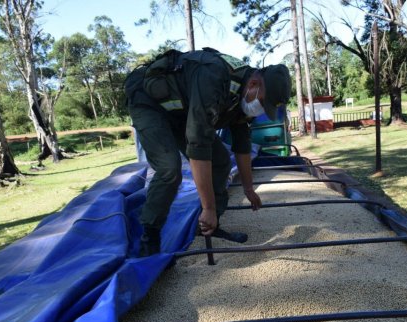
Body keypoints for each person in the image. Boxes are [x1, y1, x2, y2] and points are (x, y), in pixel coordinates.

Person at [125, 47, 292, 256]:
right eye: (262, 102)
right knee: (169, 169)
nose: (259, 109)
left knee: (221, 162)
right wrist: (208, 207)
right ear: (254, 84)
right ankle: (149, 240)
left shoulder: (243, 95)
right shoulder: (213, 76)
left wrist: (249, 189)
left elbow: (242, 144)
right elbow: (198, 144)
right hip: (148, 102)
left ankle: (207, 229)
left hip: (180, 111)